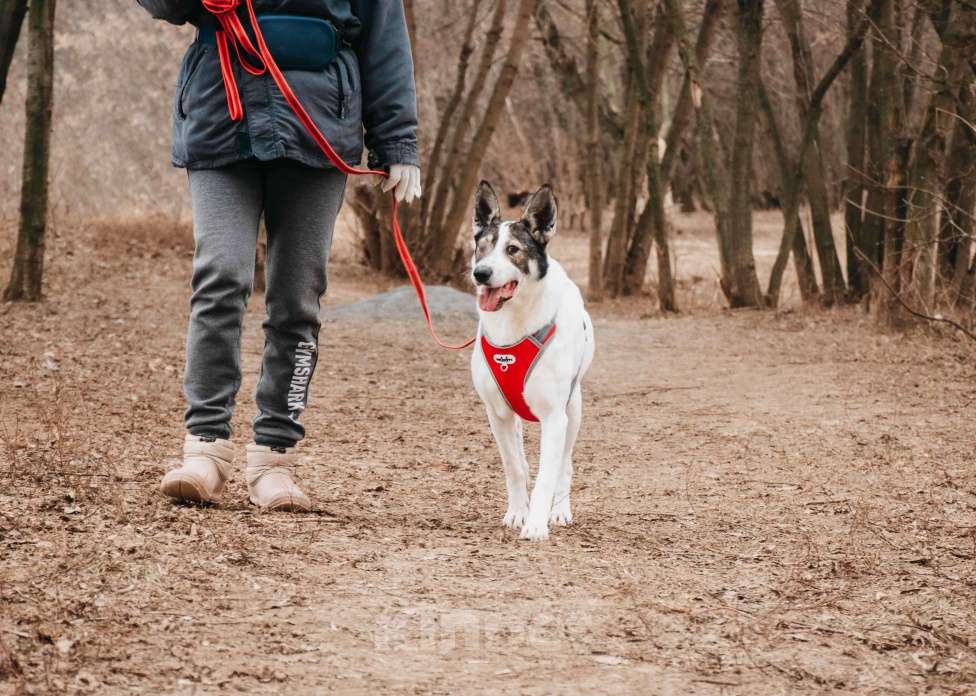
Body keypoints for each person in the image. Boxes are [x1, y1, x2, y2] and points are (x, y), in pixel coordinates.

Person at [137, 0, 421, 511]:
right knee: (220, 274)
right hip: (220, 118)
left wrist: (396, 141)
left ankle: (274, 457)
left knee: (297, 296)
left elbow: (384, 36)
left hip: (319, 127)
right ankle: (204, 449)